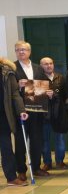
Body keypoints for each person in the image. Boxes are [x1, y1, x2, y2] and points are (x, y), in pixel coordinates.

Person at [13, 41, 50, 178]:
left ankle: (36, 167)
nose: (21, 52)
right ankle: (21, 171)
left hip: (36, 109)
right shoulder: (12, 67)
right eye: (18, 50)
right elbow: (6, 88)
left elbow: (43, 86)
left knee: (36, 140)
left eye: (23, 49)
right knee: (20, 141)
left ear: (29, 51)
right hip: (20, 110)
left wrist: (49, 92)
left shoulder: (38, 68)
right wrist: (18, 84)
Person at [0, 57, 29, 186]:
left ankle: (11, 177)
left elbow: (15, 94)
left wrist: (21, 110)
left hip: (3, 116)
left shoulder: (7, 72)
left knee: (6, 147)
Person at [40, 57, 68, 171]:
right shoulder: (37, 79)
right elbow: (33, 97)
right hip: (43, 115)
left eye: (51, 63)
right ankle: (47, 163)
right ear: (41, 66)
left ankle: (60, 161)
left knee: (59, 139)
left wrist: (54, 96)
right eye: (46, 64)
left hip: (58, 114)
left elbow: (65, 96)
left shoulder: (60, 78)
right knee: (45, 141)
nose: (49, 66)